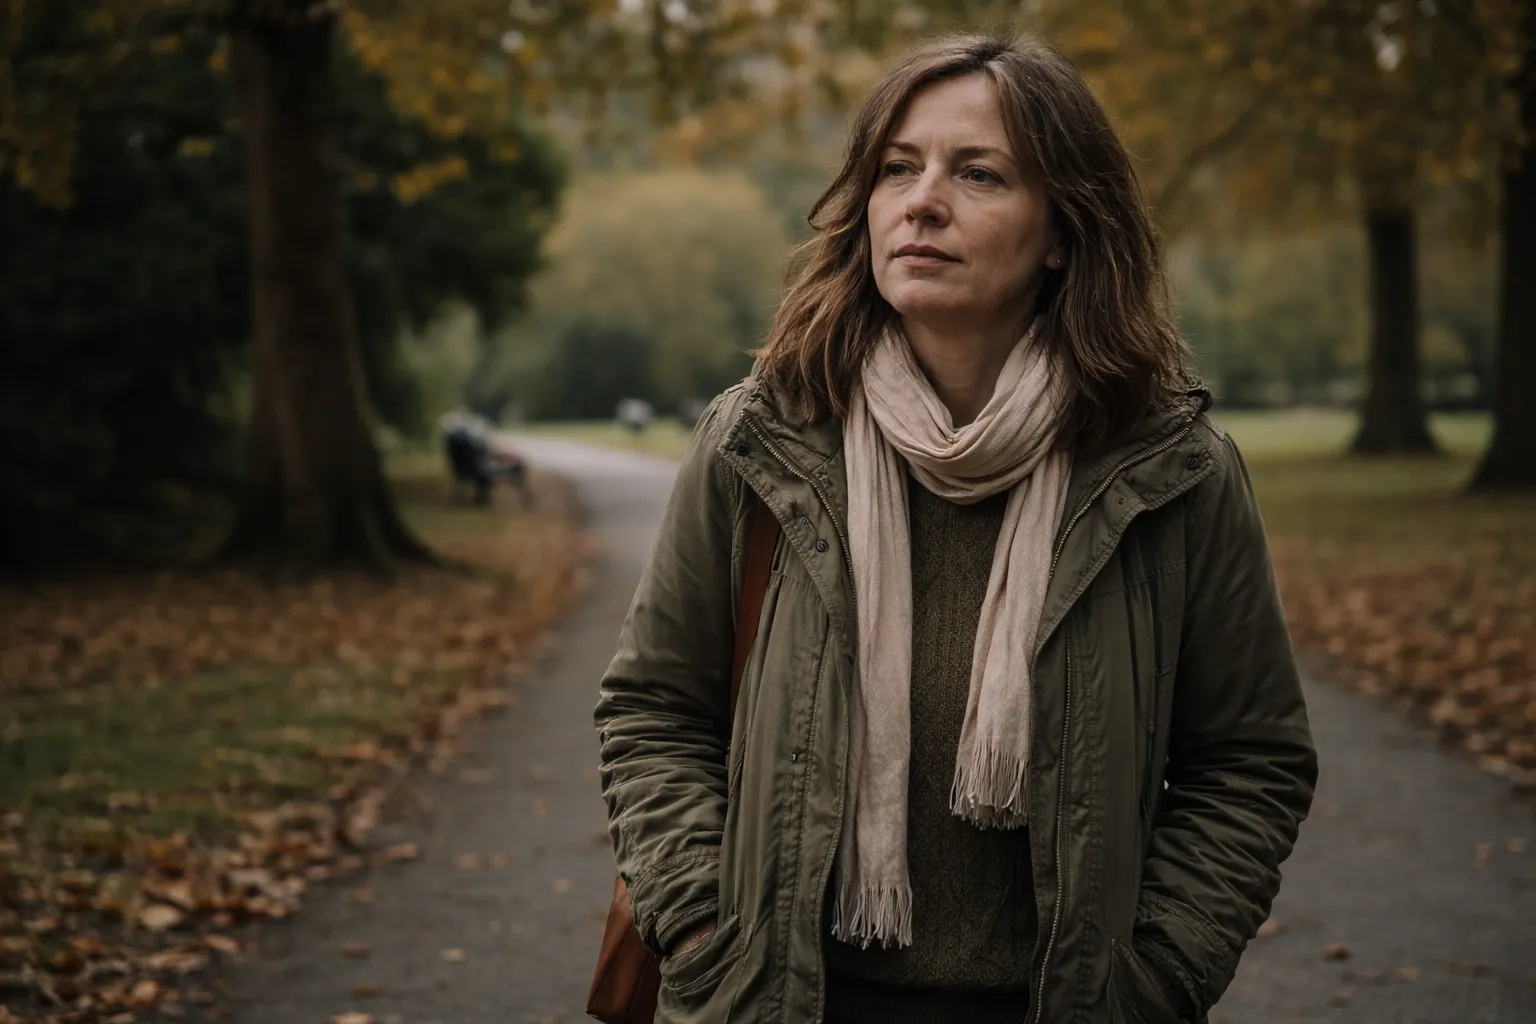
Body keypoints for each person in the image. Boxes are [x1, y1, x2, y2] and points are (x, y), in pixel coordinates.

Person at [595, 31, 1316, 1024]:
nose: (921, 201)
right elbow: (653, 711)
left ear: (1063, 228)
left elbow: (1248, 760)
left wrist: (1153, 979)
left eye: (978, 173)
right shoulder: (761, 440)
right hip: (785, 1002)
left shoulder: (1169, 473)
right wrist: (705, 928)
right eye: (898, 168)